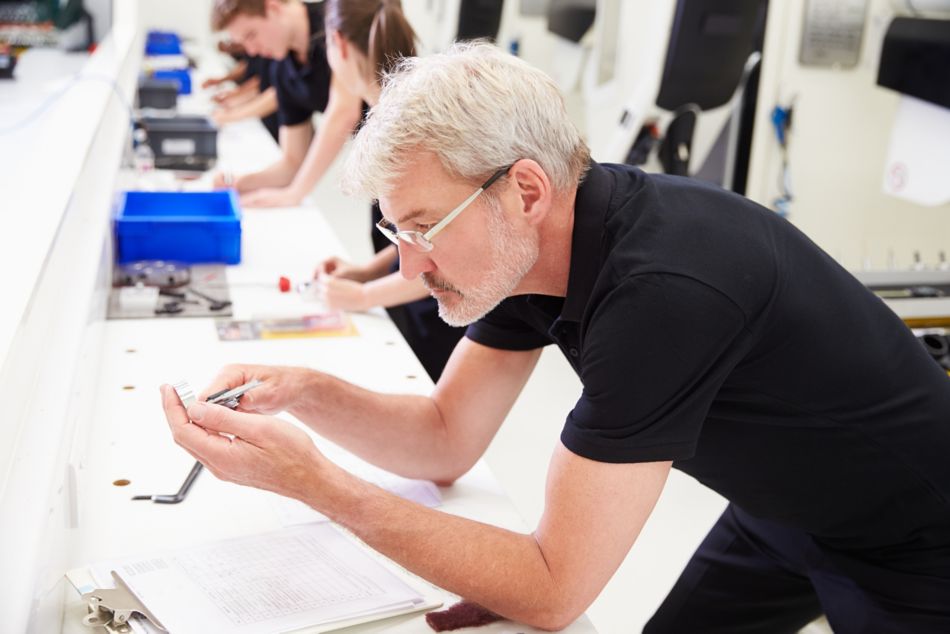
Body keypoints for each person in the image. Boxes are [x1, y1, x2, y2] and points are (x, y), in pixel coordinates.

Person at [162, 43, 950, 632]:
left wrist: (319, 485)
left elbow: (552, 585)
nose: (407, 262)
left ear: (526, 190)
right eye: (393, 230)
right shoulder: (530, 253)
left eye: (422, 227)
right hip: (776, 505)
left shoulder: (661, 295)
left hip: (913, 540)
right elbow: (444, 439)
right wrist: (302, 392)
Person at [313, 0, 466, 381]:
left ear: (338, 44)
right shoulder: (387, 114)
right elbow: (415, 234)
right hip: (409, 296)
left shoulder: (405, 131)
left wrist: (365, 295)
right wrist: (367, 272)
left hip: (441, 310)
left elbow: (443, 254)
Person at [209, 0, 363, 205]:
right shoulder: (283, 71)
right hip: (380, 157)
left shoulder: (338, 18)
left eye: (251, 35)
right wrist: (238, 183)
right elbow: (292, 163)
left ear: (272, 7)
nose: (251, 51)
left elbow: (344, 111)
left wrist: (294, 193)